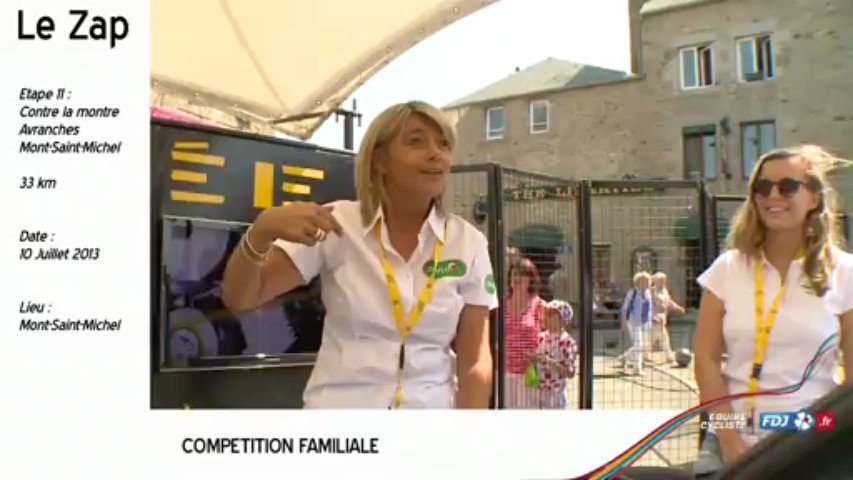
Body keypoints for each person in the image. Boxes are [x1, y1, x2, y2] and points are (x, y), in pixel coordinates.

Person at [220, 101, 498, 409]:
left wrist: (470, 434)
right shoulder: (336, 224)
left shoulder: (468, 242)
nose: (436, 154)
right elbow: (241, 297)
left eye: (443, 144)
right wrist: (260, 232)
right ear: (379, 159)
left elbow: (475, 362)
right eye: (417, 141)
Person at [693, 145, 853, 468]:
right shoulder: (727, 268)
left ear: (814, 198)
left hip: (810, 436)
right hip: (731, 433)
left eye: (788, 186)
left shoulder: (845, 272)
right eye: (763, 187)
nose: (773, 196)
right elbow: (705, 360)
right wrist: (731, 443)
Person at [503, 257, 544, 408]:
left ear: (531, 280)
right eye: (514, 273)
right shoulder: (501, 305)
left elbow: (551, 334)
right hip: (505, 374)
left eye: (522, 274)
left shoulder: (538, 305)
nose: (517, 278)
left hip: (529, 374)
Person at [532, 300, 577, 409]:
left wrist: (550, 362)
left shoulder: (567, 342)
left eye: (551, 314)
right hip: (537, 391)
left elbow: (570, 372)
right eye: (546, 313)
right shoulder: (541, 337)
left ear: (563, 321)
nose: (545, 317)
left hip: (556, 394)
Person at [618, 271, 653, 375]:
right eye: (644, 281)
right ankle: (637, 369)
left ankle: (624, 357)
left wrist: (651, 321)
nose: (646, 283)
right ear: (638, 282)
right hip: (633, 321)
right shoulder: (632, 292)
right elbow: (624, 308)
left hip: (645, 322)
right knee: (638, 344)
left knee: (642, 345)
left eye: (648, 281)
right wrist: (623, 323)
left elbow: (650, 308)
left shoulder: (648, 293)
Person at [650, 272, 685, 365]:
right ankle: (669, 357)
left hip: (662, 319)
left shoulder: (664, 290)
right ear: (655, 281)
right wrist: (652, 317)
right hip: (654, 319)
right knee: (654, 340)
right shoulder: (652, 291)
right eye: (661, 280)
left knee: (658, 339)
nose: (663, 282)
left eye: (664, 280)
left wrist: (678, 308)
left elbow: (669, 302)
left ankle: (669, 357)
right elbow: (649, 306)